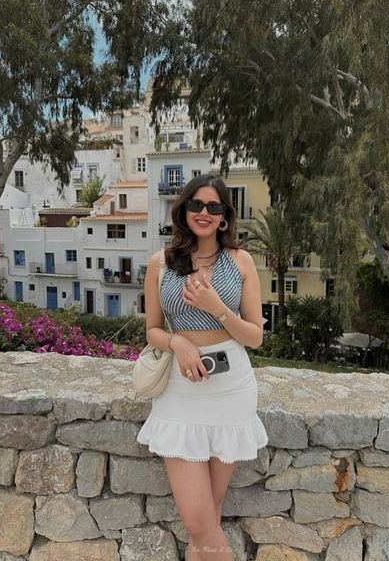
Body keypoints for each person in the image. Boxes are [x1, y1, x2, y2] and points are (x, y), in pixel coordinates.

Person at [137, 173, 268, 560]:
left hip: (232, 392)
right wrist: (178, 342)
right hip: (181, 392)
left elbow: (255, 336)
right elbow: (153, 331)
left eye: (214, 206)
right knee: (198, 521)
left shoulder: (241, 262)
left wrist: (217, 308)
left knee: (208, 514)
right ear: (184, 211)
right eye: (196, 205)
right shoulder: (160, 263)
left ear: (225, 216)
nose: (204, 212)